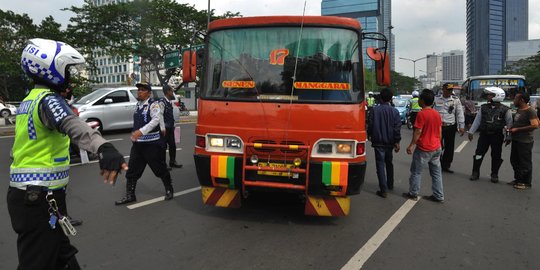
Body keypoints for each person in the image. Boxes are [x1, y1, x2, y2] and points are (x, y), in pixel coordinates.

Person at [8, 38, 127, 269]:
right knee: (37, 262)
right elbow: (71, 125)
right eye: (68, 70)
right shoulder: (49, 100)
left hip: (33, 197)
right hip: (38, 199)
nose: (70, 76)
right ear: (51, 69)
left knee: (63, 257)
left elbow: (18, 150)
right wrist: (103, 147)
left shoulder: (29, 101)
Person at [115, 82, 174, 205]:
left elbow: (157, 119)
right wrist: (135, 134)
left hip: (152, 144)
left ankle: (169, 189)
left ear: (149, 93)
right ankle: (130, 195)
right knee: (131, 171)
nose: (139, 92)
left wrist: (141, 132)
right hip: (138, 145)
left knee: (160, 169)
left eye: (142, 90)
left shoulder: (154, 105)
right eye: (139, 90)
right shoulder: (138, 105)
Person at [403, 89, 444, 203]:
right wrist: (438, 144)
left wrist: (411, 145)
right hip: (436, 147)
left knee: (416, 171)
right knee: (436, 173)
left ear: (422, 101)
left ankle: (413, 193)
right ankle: (439, 195)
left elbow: (418, 132)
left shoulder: (421, 114)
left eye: (420, 99)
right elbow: (440, 132)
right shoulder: (436, 113)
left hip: (424, 148)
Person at [467, 87, 512, 183]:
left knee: (496, 155)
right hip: (484, 135)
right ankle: (475, 172)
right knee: (479, 154)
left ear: (497, 96)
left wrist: (509, 136)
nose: (488, 96)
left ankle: (494, 174)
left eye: (491, 95)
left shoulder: (506, 110)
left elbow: (509, 124)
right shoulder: (483, 107)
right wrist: (471, 132)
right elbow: (477, 121)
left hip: (497, 136)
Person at [367, 88, 401, 198]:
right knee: (389, 163)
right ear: (391, 99)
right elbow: (397, 128)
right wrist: (397, 141)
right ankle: (390, 184)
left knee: (380, 165)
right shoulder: (394, 111)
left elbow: (370, 125)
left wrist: (369, 135)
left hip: (378, 143)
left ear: (380, 97)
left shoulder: (374, 110)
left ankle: (383, 190)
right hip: (390, 143)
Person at [508, 92, 539, 190]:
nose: (514, 100)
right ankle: (518, 179)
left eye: (516, 98)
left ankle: (526, 182)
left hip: (525, 141)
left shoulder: (530, 111)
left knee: (524, 162)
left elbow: (535, 125)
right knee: (514, 160)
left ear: (521, 100)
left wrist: (518, 130)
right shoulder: (519, 110)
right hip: (516, 139)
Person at [433, 83, 465, 173]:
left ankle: (446, 165)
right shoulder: (436, 99)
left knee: (449, 147)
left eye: (451, 90)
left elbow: (460, 113)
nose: (449, 91)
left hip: (450, 126)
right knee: (438, 146)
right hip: (438, 127)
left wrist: (461, 126)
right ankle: (437, 163)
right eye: (448, 89)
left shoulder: (455, 100)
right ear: (443, 89)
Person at [161, 85, 182, 169]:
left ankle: (172, 162)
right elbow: (160, 116)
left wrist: (174, 125)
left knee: (172, 145)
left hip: (170, 128)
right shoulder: (162, 102)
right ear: (168, 92)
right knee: (163, 147)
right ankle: (163, 165)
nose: (172, 92)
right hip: (165, 129)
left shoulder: (170, 102)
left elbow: (170, 115)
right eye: (171, 91)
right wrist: (162, 128)